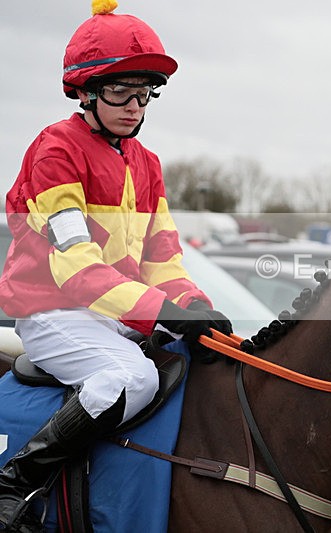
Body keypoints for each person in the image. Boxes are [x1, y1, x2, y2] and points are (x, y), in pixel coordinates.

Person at [0, 1, 232, 530]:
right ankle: (14, 482)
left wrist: (194, 307)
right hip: (52, 312)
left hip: (113, 312)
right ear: (84, 91)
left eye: (145, 91)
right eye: (119, 90)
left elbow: (163, 260)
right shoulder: (55, 150)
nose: (134, 105)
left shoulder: (146, 164)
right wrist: (163, 313)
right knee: (133, 376)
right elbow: (77, 267)